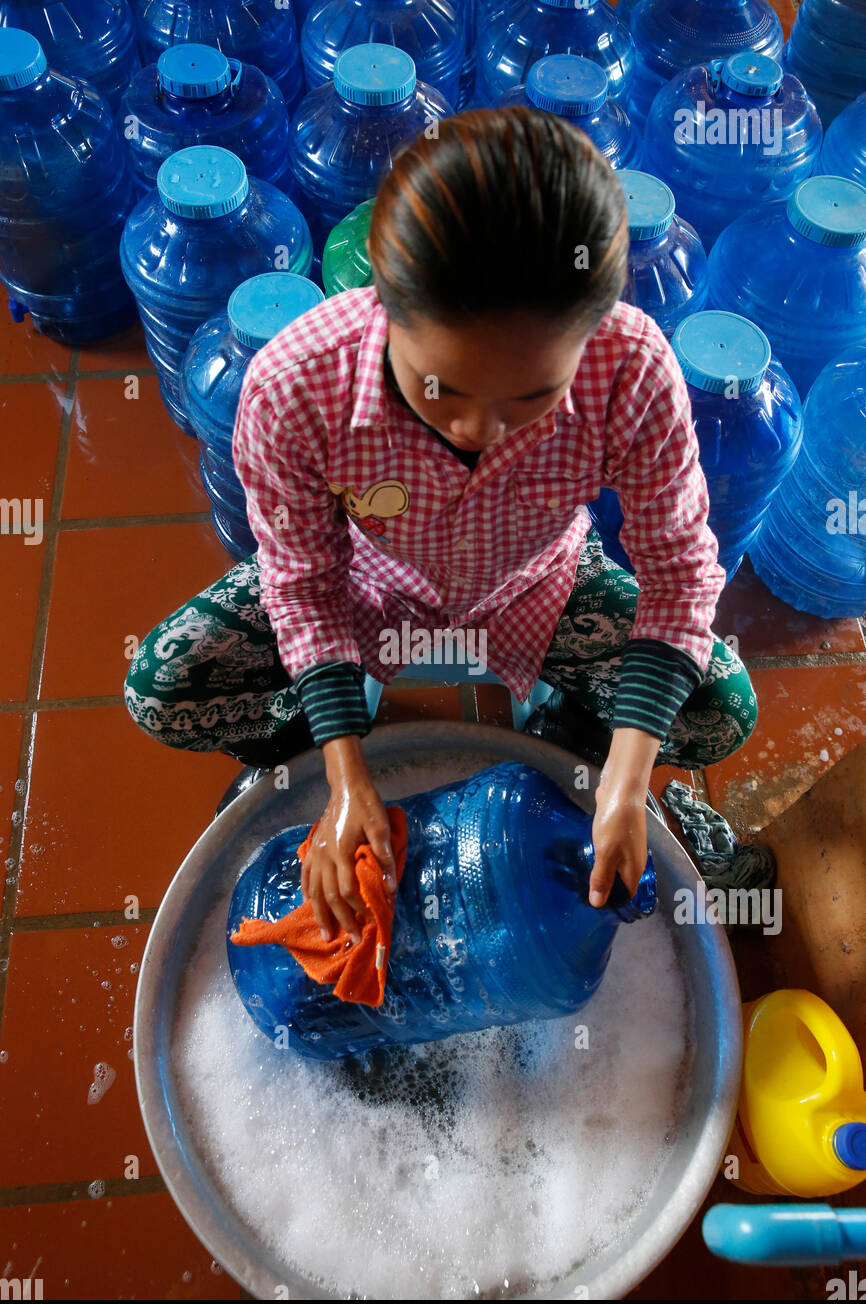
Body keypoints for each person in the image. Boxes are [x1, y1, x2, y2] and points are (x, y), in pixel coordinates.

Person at [124, 106, 756, 939]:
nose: (479, 432)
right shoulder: (295, 385)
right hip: (368, 584)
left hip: (537, 583)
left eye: (532, 399)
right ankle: (300, 752)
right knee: (165, 686)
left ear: (589, 332)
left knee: (717, 707)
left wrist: (630, 776)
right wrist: (347, 778)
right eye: (439, 390)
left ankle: (573, 744)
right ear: (382, 304)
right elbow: (303, 583)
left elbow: (679, 576)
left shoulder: (630, 367)